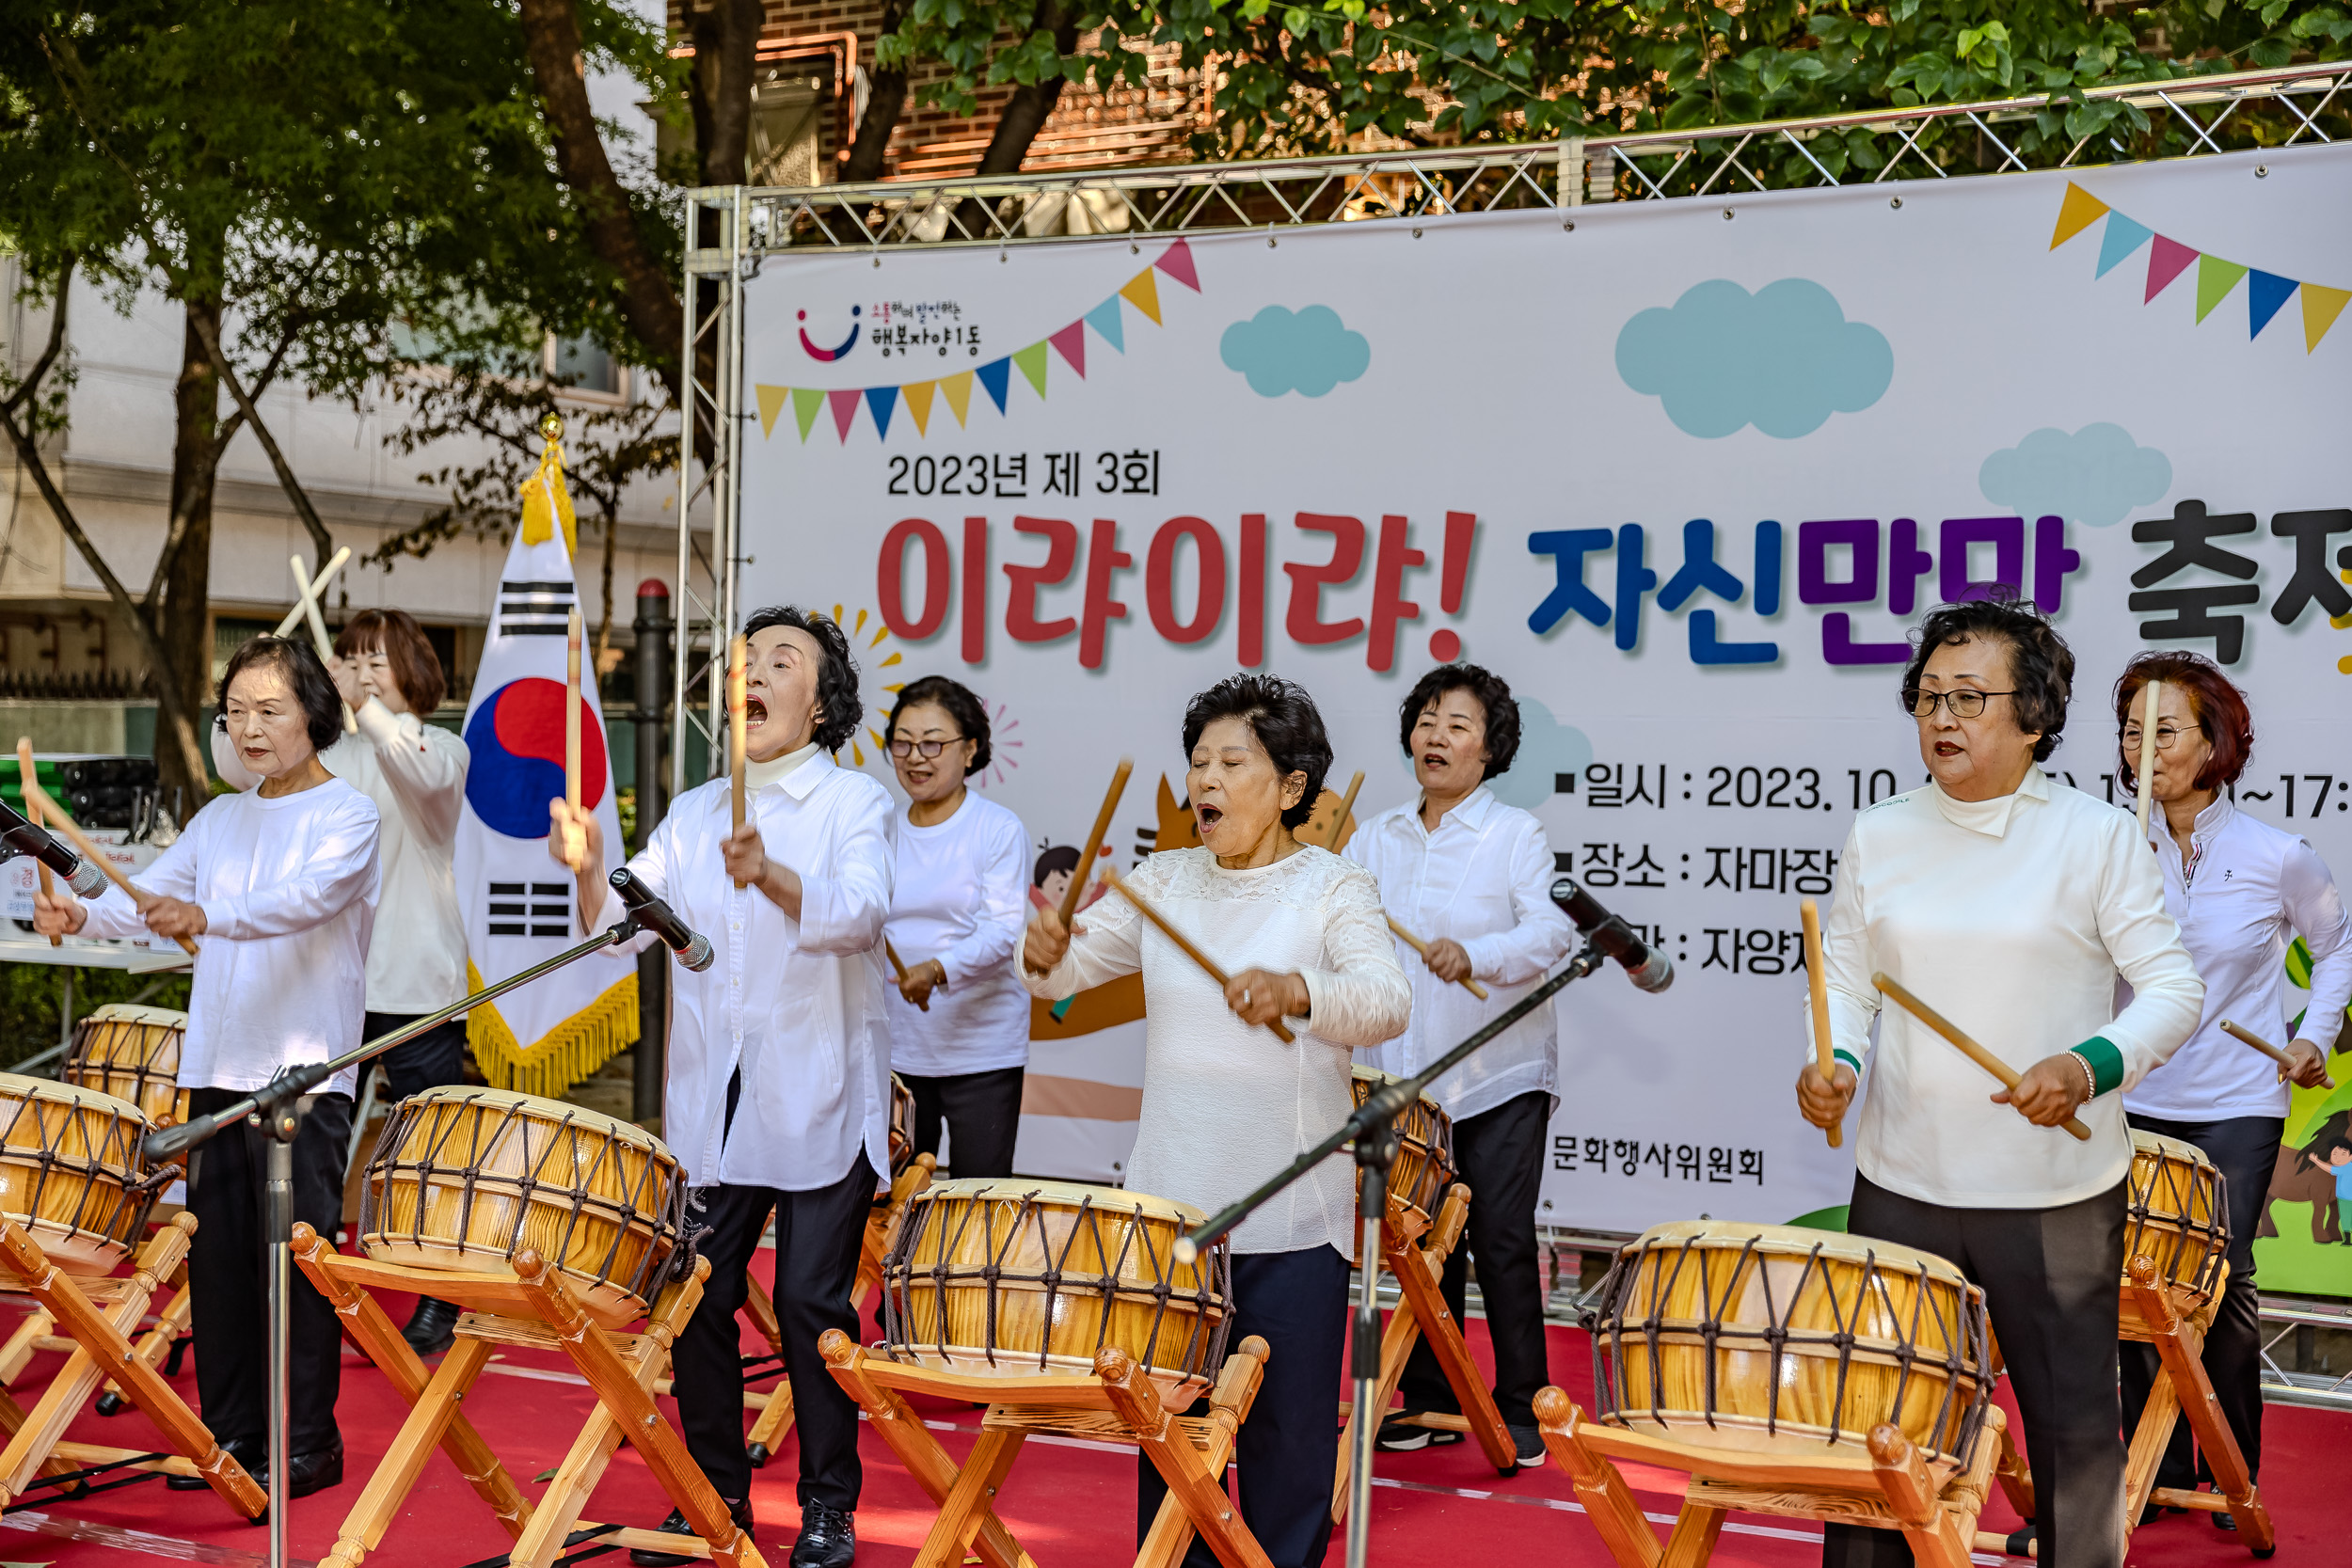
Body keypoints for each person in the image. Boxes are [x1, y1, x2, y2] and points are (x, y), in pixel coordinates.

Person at [1795, 598, 2203, 1568]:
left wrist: (2086, 1064)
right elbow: (1845, 981)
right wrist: (1837, 1063)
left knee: (2071, 1434)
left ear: (2034, 716)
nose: (1942, 714)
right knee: (1876, 1429)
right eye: (1929, 694)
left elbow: (2171, 987)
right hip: (1901, 1183)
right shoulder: (1881, 832)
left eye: (1969, 696)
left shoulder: (2095, 835)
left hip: (2050, 1196)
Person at [1021, 673, 1410, 1568]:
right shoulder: (1162, 880)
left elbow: (1387, 1000)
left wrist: (1297, 988)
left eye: (1235, 761)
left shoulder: (1332, 887)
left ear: (1291, 785)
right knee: (1177, 1454)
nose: (1208, 780)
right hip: (1173, 1220)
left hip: (1292, 1219)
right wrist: (1041, 950)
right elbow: (1064, 973)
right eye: (1199, 761)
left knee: (1287, 1457)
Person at [551, 607, 891, 1568]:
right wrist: (587, 866)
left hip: (820, 1090)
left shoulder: (852, 805)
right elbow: (633, 908)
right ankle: (713, 1493)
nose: (755, 672)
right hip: (717, 1099)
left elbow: (861, 913)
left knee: (814, 1306)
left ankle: (830, 1504)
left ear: (819, 703)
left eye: (781, 660)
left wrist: (775, 876)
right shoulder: (697, 809)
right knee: (696, 1293)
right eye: (745, 660)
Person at [39, 636, 381, 1499]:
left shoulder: (350, 815)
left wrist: (204, 909)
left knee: (294, 1265)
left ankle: (308, 1444)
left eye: (270, 709)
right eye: (236, 712)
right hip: (220, 1071)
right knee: (219, 1266)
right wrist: (79, 913)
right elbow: (146, 897)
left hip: (304, 1076)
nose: (250, 728)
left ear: (313, 713)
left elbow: (303, 901)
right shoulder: (223, 817)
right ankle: (231, 1439)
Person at [2110, 651, 2346, 1521]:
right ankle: (2150, 1460)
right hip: (2131, 1095)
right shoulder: (2110, 847)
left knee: (2220, 1274)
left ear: (2216, 741)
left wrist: (2312, 1037)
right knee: (2134, 1282)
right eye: (2132, 731)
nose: (2144, 748)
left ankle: (2226, 1465)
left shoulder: (2278, 856)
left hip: (2239, 1101)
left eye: (2164, 729)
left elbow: (2337, 950)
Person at [213, 608, 471, 1355]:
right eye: (348, 658)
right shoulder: (327, 756)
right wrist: (259, 695)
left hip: (417, 984)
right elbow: (234, 766)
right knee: (314, 1147)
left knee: (428, 1152)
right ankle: (314, 1287)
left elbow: (419, 774)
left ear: (415, 671)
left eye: (376, 660)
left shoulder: (437, 747)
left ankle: (438, 1297)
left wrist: (369, 707)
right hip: (328, 987)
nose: (359, 671)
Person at [1346, 662, 1575, 1465]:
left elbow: (1551, 935)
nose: (1436, 736)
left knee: (1501, 1238)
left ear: (1490, 750)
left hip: (1496, 1077)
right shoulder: (1373, 835)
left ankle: (1523, 1408)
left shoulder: (1515, 835)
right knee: (1417, 1242)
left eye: (1458, 725)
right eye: (1427, 720)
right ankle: (1435, 1400)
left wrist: (1473, 951)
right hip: (1405, 1080)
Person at [882, 675, 1030, 1178]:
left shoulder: (997, 828)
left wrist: (938, 968)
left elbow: (1004, 930)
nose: (915, 756)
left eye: (933, 743)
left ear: (970, 750)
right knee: (891, 1204)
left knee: (976, 1206)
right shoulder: (879, 829)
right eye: (902, 742)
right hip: (897, 1049)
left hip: (981, 1051)